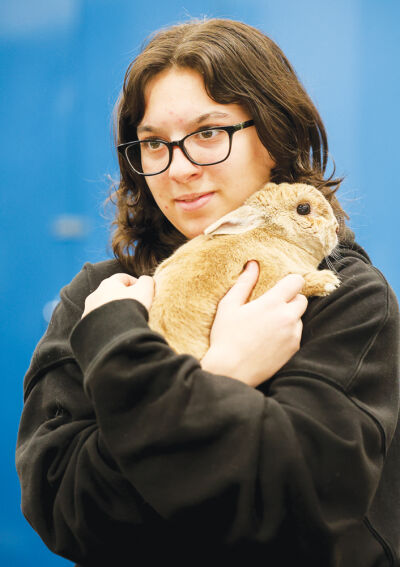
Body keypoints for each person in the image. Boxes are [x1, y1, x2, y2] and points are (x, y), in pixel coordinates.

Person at [16, 18, 400, 566]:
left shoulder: (340, 296)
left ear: (274, 134)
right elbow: (69, 512)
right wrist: (223, 372)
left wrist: (126, 362)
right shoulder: (102, 299)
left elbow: (298, 502)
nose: (179, 168)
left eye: (208, 133)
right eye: (153, 143)